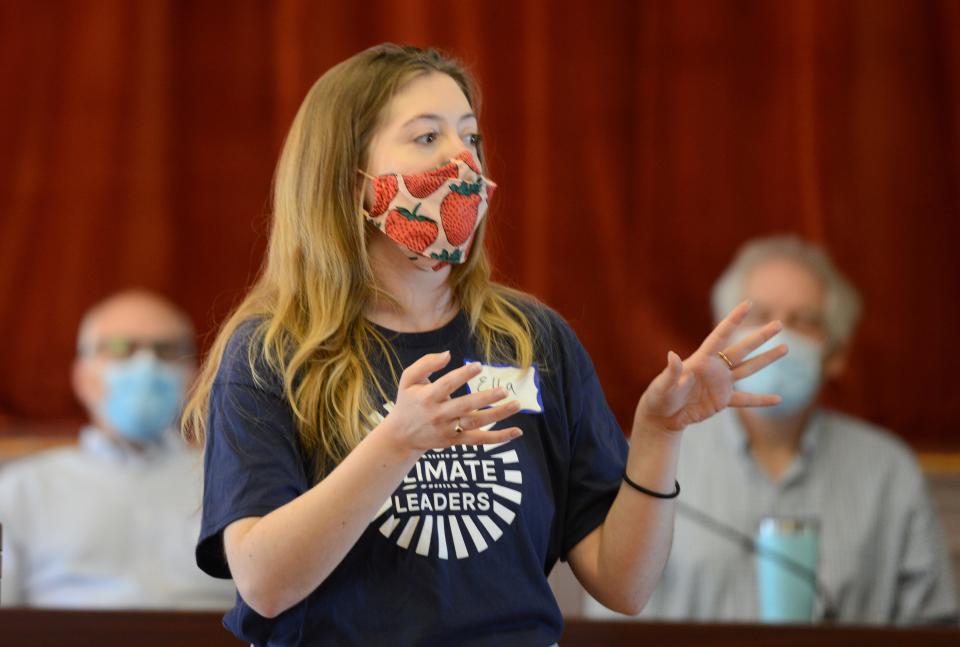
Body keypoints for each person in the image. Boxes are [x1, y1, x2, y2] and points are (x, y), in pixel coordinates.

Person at [184, 43, 786, 646]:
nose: (462, 160)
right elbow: (265, 583)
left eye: (469, 138)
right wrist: (396, 443)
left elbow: (624, 585)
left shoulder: (533, 338)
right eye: (426, 138)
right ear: (350, 179)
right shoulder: (271, 352)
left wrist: (658, 435)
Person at [584, 235, 959, 624]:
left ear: (837, 353)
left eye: (803, 321)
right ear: (723, 334)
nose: (778, 335)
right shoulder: (654, 457)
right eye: (759, 316)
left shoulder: (889, 472)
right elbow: (613, 622)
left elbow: (934, 627)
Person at [0, 290, 236, 609]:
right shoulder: (22, 489)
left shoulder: (232, 482)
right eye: (119, 349)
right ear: (82, 378)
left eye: (166, 350)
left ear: (193, 376)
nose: (146, 365)